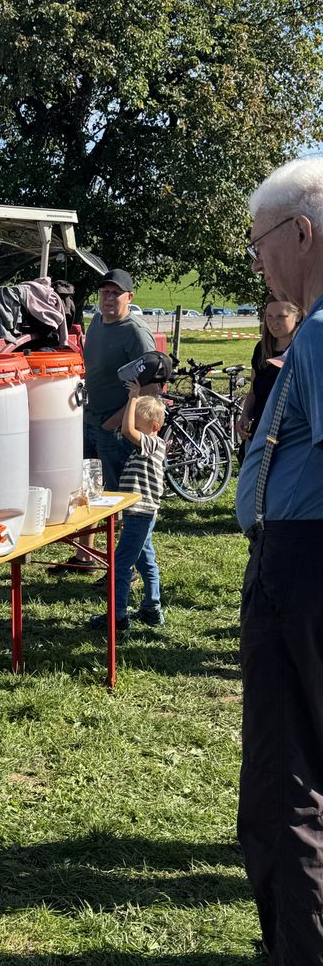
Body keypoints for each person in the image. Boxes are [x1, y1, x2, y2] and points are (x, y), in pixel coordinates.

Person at [235, 156, 323, 961]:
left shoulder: (321, 334)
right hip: (297, 558)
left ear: (301, 233)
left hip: (301, 567)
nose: (258, 262)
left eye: (261, 243)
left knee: (283, 780)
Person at [61, 267, 156, 572]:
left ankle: (125, 568)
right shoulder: (97, 322)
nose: (109, 298)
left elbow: (152, 387)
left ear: (130, 297)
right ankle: (85, 557)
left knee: (119, 499)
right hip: (89, 420)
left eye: (116, 293)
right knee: (86, 490)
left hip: (115, 429)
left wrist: (116, 421)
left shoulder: (135, 332)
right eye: (105, 292)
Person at [87, 380, 166, 634]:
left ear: (154, 428)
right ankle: (152, 608)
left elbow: (128, 430)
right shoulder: (143, 447)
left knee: (120, 564)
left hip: (141, 513)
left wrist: (132, 398)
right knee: (146, 560)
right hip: (139, 513)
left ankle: (118, 616)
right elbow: (125, 429)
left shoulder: (153, 444)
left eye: (138, 426)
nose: (131, 430)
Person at [237, 299, 303, 455]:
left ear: (298, 315)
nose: (274, 323)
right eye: (269, 316)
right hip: (259, 433)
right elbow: (254, 391)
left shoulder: (303, 349)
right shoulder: (261, 349)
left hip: (290, 437)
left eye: (281, 316)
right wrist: (245, 415)